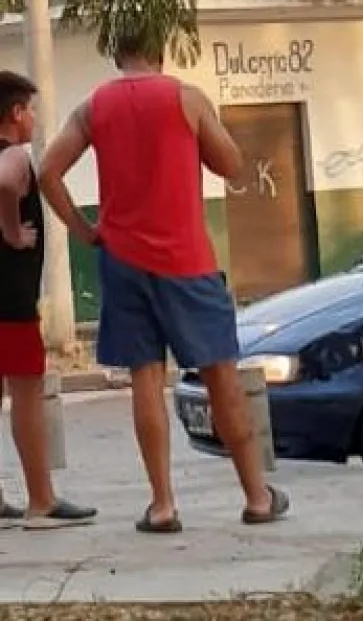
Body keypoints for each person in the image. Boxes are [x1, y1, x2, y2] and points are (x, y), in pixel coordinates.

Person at [38, 32, 289, 534]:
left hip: (123, 262)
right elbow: (232, 164)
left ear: (117, 57)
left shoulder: (94, 106)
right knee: (221, 378)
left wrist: (86, 231)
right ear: (160, 54)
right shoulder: (186, 97)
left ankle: (163, 505)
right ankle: (257, 496)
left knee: (146, 381)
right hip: (187, 260)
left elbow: (48, 171)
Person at [0, 71, 96, 529]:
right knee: (27, 396)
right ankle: (41, 499)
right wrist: (12, 231)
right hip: (11, 300)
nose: (34, 120)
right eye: (31, 111)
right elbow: (5, 182)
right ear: (16, 113)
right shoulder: (14, 156)